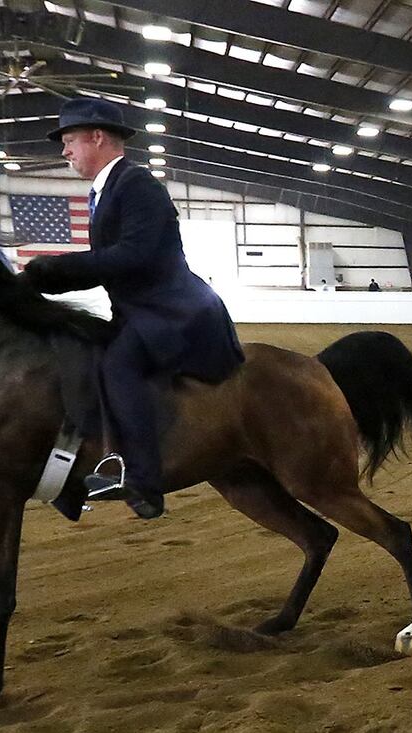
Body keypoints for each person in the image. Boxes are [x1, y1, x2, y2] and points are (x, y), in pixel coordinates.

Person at [17, 97, 245, 520]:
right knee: (81, 355)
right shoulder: (104, 191)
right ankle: (79, 469)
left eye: (69, 141)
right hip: (141, 310)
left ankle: (143, 480)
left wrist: (54, 269)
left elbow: (133, 256)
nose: (64, 151)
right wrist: (43, 280)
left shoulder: (138, 185)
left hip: (175, 313)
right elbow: (108, 264)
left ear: (97, 137)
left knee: (119, 365)